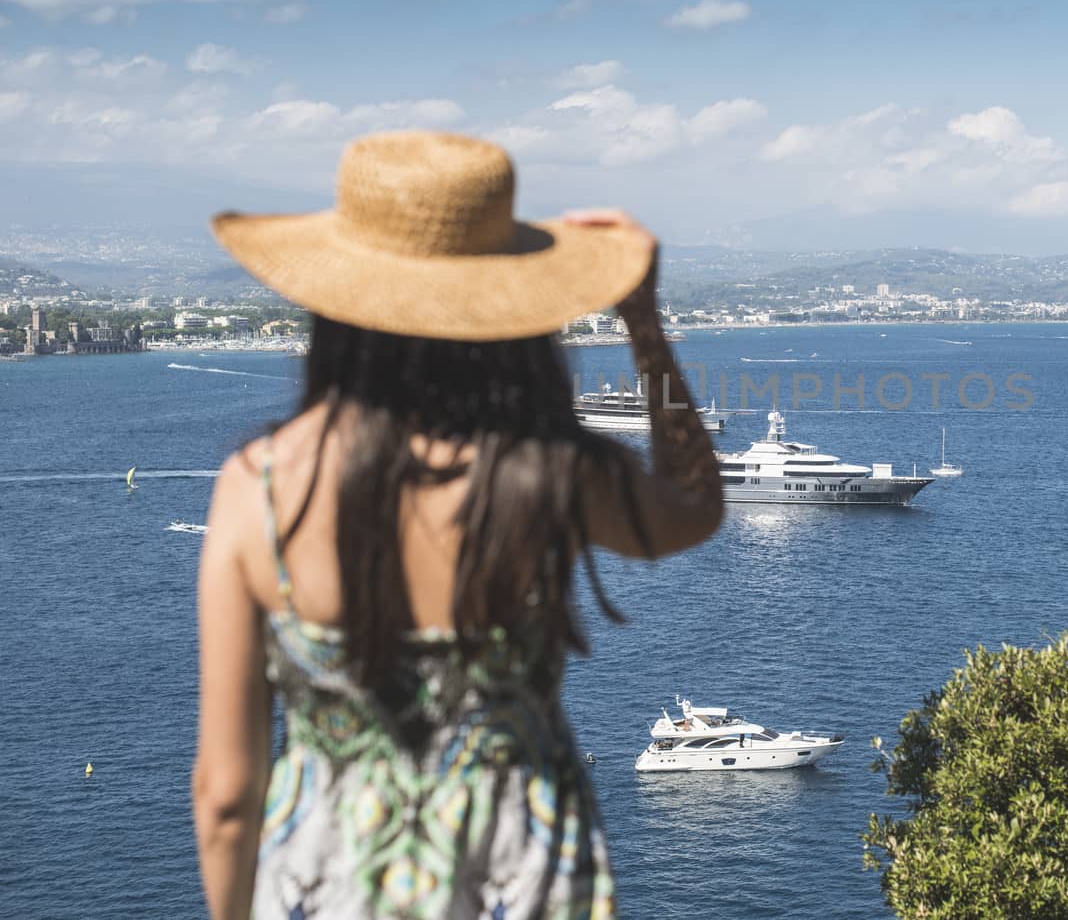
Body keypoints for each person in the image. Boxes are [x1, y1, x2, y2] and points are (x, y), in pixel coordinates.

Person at [190, 131, 723, 919]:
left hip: (327, 886)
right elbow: (692, 508)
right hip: (524, 882)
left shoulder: (258, 488)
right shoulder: (550, 471)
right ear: (512, 303)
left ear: (339, 302)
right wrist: (644, 323)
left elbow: (226, 795)